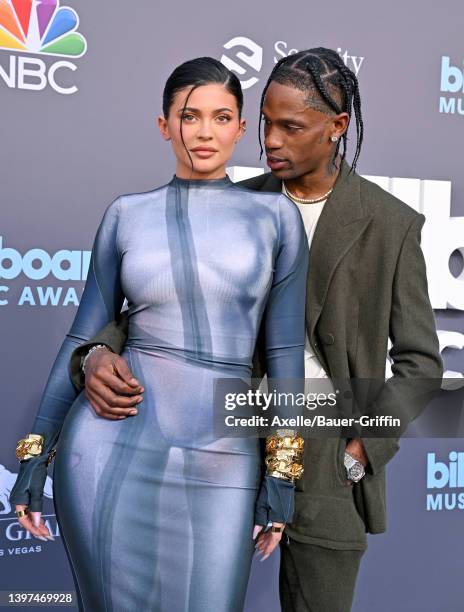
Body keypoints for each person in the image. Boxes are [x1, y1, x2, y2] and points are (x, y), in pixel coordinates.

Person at [73, 48, 443, 612]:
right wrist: (98, 350)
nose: (269, 140)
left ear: (336, 128)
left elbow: (421, 364)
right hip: (222, 442)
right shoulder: (234, 201)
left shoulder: (391, 224)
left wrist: (363, 446)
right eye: (265, 122)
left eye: (290, 127)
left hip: (329, 457)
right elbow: (154, 311)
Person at [9, 57, 309, 612]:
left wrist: (283, 471)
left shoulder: (275, 219)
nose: (204, 132)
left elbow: (287, 353)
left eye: (221, 118)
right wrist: (34, 457)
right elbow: (81, 338)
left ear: (241, 129)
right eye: (189, 116)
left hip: (225, 452)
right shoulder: (126, 215)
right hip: (111, 444)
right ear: (164, 124)